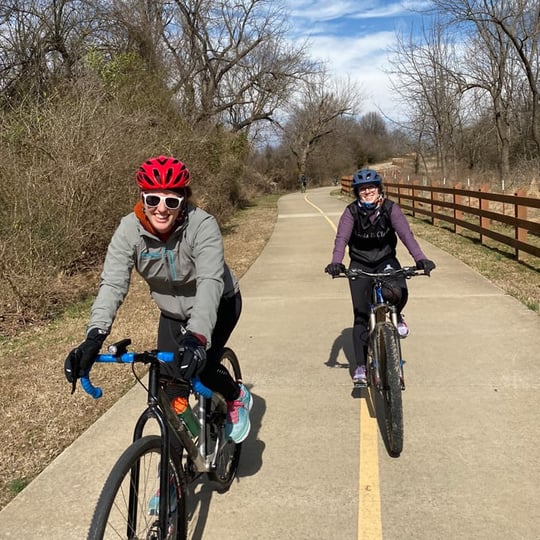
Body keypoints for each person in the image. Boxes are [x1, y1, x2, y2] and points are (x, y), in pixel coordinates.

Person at [64, 155, 252, 443]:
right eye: (153, 200)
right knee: (170, 391)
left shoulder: (202, 226)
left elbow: (210, 282)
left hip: (219, 304)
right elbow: (113, 282)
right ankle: (174, 478)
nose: (161, 209)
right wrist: (94, 336)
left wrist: (198, 337)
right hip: (172, 314)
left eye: (171, 201)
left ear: (183, 201)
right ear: (142, 198)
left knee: (203, 368)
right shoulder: (129, 230)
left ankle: (236, 396)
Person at [325, 168, 435, 386]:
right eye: (363, 189)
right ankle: (361, 367)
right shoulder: (351, 212)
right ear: (357, 192)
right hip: (360, 263)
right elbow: (341, 239)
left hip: (385, 260)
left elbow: (406, 235)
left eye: (371, 187)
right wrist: (337, 262)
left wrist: (421, 258)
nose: (368, 192)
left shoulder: (390, 209)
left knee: (398, 290)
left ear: (379, 189)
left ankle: (398, 315)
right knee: (361, 316)